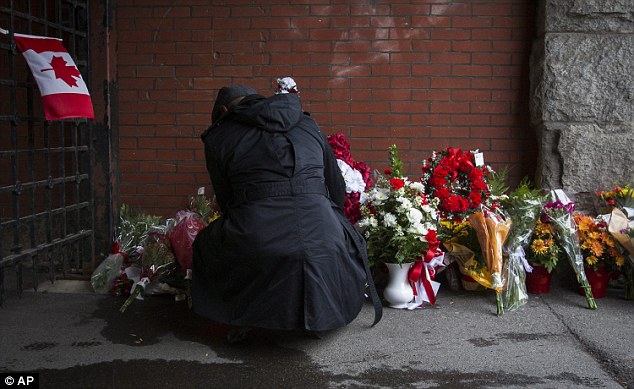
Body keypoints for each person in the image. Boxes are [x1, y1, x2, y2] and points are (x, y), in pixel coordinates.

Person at [192, 83, 382, 342]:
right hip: (322, 231)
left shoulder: (219, 134)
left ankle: (240, 316)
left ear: (223, 110)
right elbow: (336, 188)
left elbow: (228, 201)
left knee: (208, 244)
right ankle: (319, 318)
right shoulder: (308, 124)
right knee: (322, 240)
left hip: (256, 233)